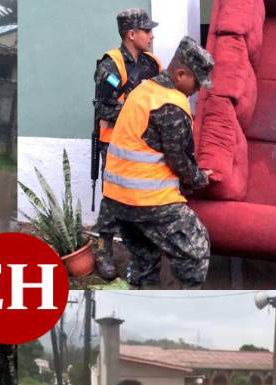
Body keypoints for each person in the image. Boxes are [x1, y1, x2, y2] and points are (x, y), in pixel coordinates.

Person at [101, 36, 215, 289]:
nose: (198, 90)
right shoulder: (171, 105)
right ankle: (189, 307)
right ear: (181, 74)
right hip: (147, 199)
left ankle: (143, 299)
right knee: (196, 251)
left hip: (116, 200)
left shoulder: (144, 89)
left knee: (145, 258)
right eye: (197, 83)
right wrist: (199, 178)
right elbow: (179, 160)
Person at [94, 9, 161, 281]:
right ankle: (103, 252)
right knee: (112, 199)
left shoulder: (153, 65)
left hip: (143, 146)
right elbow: (104, 109)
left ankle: (139, 255)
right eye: (147, 31)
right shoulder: (111, 66)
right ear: (131, 34)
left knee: (139, 199)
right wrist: (135, 112)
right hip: (114, 145)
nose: (152, 35)